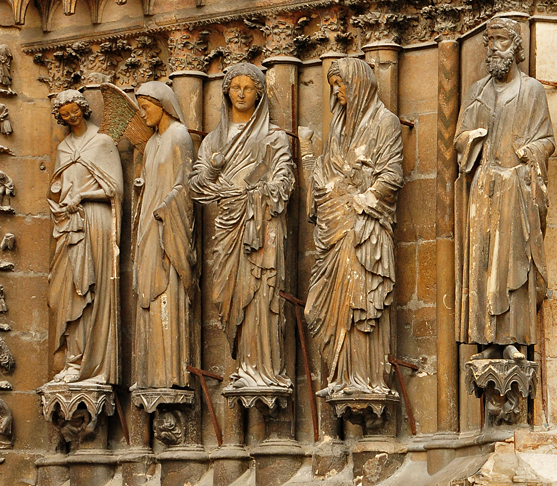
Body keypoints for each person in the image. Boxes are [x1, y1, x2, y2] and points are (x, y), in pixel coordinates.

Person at [454, 14, 555, 361]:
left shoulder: (531, 90)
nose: (493, 48)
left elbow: (547, 139)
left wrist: (531, 154)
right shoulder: (477, 92)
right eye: (489, 41)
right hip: (484, 188)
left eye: (500, 40)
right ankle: (487, 338)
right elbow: (459, 139)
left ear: (515, 46)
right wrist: (474, 138)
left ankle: (512, 336)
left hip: (516, 187)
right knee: (484, 264)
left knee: (512, 263)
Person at [190, 63, 294, 389]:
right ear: (226, 92)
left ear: (259, 94)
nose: (241, 93)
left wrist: (258, 193)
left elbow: (284, 178)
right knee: (229, 296)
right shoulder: (213, 141)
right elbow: (196, 186)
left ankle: (262, 369)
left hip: (260, 227)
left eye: (248, 88)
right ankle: (244, 364)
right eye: (235, 87)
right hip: (227, 228)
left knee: (262, 295)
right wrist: (212, 171)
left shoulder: (273, 136)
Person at [304, 57, 403, 397]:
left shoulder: (384, 122)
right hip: (335, 227)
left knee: (362, 304)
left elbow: (392, 175)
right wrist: (316, 171)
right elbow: (325, 175)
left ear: (359, 85)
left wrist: (362, 196)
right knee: (321, 306)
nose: (337, 91)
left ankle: (366, 379)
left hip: (365, 232)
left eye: (341, 84)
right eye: (333, 86)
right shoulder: (338, 128)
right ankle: (341, 376)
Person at [47, 89, 123, 385]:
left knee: (89, 291)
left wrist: (81, 195)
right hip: (69, 224)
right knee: (68, 293)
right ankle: (71, 360)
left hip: (95, 222)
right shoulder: (64, 147)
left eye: (74, 110)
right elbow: (57, 185)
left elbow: (115, 191)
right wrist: (61, 199)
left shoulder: (102, 141)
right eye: (64, 114)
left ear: (83, 108)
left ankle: (90, 363)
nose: (71, 116)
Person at [132, 82, 196, 392]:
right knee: (149, 296)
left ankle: (171, 373)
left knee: (168, 292)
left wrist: (165, 208)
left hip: (168, 225)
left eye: (146, 107)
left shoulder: (179, 137)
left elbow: (185, 186)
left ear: (163, 105)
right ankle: (150, 373)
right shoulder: (150, 144)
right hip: (149, 223)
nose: (142, 114)